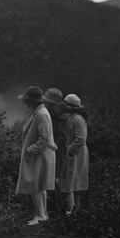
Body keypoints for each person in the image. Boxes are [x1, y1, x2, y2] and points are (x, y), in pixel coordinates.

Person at [15, 86, 57, 226]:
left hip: (40, 154)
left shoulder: (41, 114)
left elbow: (44, 138)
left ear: (33, 101)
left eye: (28, 100)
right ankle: (42, 214)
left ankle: (40, 215)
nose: (26, 103)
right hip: (39, 154)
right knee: (39, 185)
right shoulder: (38, 111)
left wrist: (31, 150)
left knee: (35, 185)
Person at [59, 94, 89, 215]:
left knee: (71, 181)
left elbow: (81, 139)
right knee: (71, 180)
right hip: (74, 152)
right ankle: (74, 209)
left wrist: (69, 152)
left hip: (76, 152)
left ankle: (71, 209)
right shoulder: (71, 117)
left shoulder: (77, 119)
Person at [42, 87, 70, 217]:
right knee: (50, 178)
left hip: (57, 150)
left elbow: (61, 136)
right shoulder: (53, 114)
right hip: (53, 149)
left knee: (51, 178)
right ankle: (57, 207)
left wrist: (50, 146)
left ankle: (59, 208)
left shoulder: (60, 117)